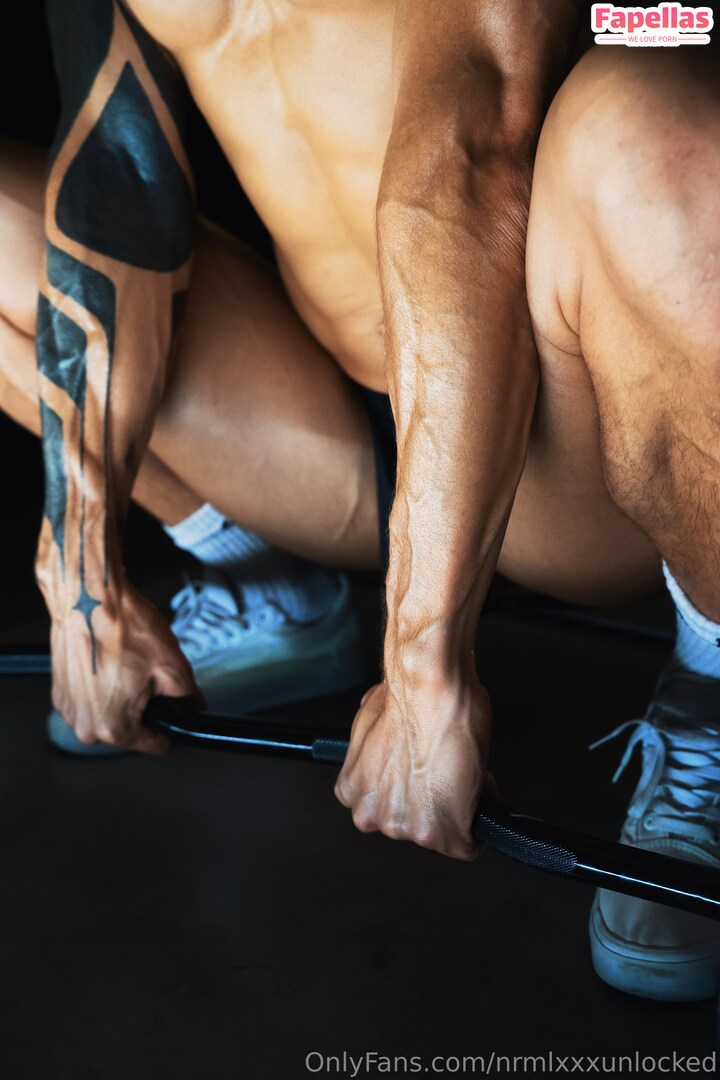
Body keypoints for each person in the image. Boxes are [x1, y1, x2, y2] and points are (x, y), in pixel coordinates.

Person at [1, 0, 719, 1002]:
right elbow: (117, 185)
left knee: (645, 126)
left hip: (554, 448)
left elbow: (466, 161)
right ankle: (271, 587)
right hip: (332, 433)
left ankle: (709, 693)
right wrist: (79, 574)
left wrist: (422, 662)